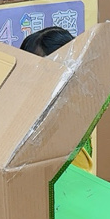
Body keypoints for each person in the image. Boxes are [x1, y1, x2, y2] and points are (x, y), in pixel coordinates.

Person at [20, 26, 94, 172]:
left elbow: (78, 177)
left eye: (43, 71)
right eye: (30, 69)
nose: (32, 78)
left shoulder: (69, 117)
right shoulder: (26, 109)